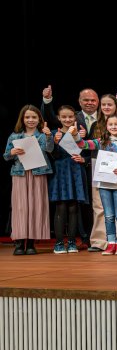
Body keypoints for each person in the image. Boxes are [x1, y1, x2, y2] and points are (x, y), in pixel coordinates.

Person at [76, 115, 117, 255]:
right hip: (104, 184)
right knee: (109, 216)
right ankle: (111, 244)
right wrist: (75, 135)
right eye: (110, 124)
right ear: (106, 126)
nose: (113, 127)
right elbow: (82, 145)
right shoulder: (101, 142)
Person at [4, 105, 54, 255]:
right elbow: (6, 156)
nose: (30, 120)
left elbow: (50, 149)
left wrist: (49, 136)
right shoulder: (14, 136)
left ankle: (31, 243)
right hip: (20, 174)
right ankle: (19, 243)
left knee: (36, 207)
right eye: (27, 117)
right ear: (22, 119)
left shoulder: (43, 135)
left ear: (39, 119)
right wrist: (12, 152)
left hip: (38, 174)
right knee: (20, 208)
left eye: (34, 117)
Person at [47, 105, 88, 254]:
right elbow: (52, 155)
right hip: (60, 172)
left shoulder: (80, 133)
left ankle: (71, 242)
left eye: (70, 116)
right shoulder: (54, 133)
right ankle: (59, 242)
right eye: (64, 117)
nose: (67, 119)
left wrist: (83, 158)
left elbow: (87, 152)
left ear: (75, 117)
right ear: (59, 118)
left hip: (75, 171)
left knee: (73, 207)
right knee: (61, 207)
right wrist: (54, 141)